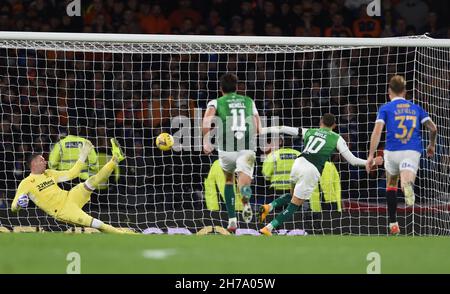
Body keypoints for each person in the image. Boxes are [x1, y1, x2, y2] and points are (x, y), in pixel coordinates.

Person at [259, 113, 383, 236]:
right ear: (334, 125)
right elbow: (353, 161)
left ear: (320, 122)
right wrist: (370, 162)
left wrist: (263, 129)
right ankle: (268, 228)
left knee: (292, 195)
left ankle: (269, 206)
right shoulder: (337, 138)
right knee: (295, 205)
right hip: (311, 169)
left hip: (298, 162)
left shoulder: (310, 131)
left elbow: (283, 128)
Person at [366, 75, 437, 235]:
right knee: (406, 179)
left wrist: (371, 155)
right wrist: (431, 145)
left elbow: (377, 131)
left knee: (391, 183)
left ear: (389, 91)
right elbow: (433, 128)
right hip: (411, 149)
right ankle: (407, 186)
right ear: (405, 91)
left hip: (391, 151)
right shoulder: (416, 108)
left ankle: (393, 224)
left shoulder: (385, 108)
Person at [11, 139, 130, 234]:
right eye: (42, 160)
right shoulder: (26, 183)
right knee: (98, 224)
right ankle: (130, 237)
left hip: (71, 196)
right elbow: (13, 207)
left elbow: (72, 173)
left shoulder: (49, 173)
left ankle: (115, 158)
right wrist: (18, 204)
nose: (45, 162)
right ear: (34, 163)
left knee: (92, 181)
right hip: (64, 211)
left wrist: (83, 156)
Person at [202, 73, 262, 233]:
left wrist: (206, 140)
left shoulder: (215, 102)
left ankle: (232, 219)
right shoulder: (249, 101)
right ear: (237, 87)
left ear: (221, 88)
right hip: (247, 146)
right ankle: (246, 202)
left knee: (229, 180)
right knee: (244, 180)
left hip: (226, 148)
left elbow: (207, 120)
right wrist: (258, 134)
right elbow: (257, 124)